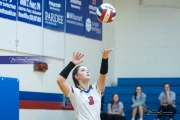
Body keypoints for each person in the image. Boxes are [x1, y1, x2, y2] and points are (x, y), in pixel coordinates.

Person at [57, 48, 113, 120]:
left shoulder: (96, 89)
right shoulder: (74, 92)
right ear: (77, 76)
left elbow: (103, 75)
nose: (87, 72)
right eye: (83, 70)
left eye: (88, 70)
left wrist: (105, 58)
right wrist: (72, 63)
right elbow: (60, 80)